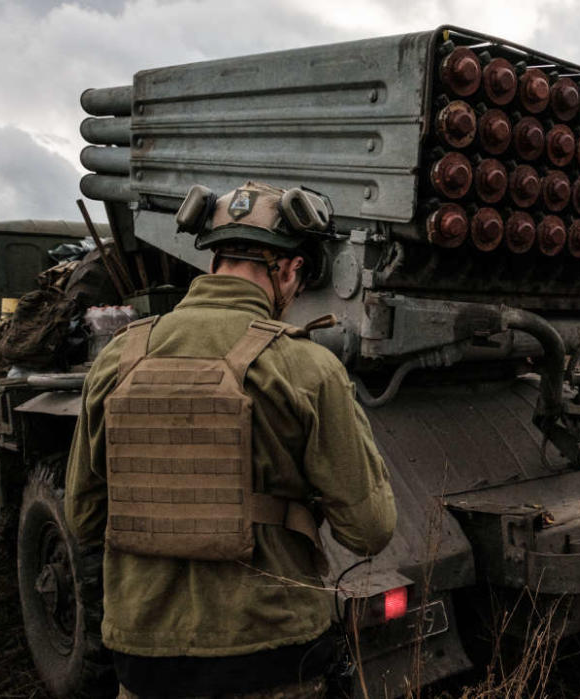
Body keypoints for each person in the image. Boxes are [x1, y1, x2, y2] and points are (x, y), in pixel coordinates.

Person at [66, 181, 396, 698]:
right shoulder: (308, 367)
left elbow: (83, 519)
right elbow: (370, 530)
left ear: (214, 260)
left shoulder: (117, 357)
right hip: (273, 655)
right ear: (289, 271)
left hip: (144, 660)